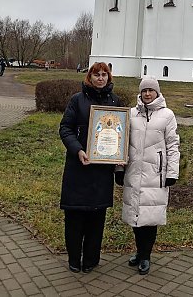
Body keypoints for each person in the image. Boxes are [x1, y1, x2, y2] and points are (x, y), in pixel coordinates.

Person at [115, 76, 180, 276]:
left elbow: (173, 144)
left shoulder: (167, 115)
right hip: (134, 171)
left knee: (150, 217)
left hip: (156, 173)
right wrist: (119, 169)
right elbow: (121, 142)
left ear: (157, 92)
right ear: (140, 93)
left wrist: (172, 173)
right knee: (136, 216)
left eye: (151, 90)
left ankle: (146, 256)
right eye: (144, 91)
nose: (148, 94)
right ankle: (139, 250)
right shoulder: (131, 114)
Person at [59, 62, 119, 273]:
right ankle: (74, 258)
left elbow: (121, 131)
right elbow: (65, 128)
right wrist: (77, 149)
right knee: (75, 215)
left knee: (97, 216)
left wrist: (119, 155)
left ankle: (91, 259)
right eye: (96, 75)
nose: (100, 78)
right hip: (79, 165)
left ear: (108, 77)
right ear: (89, 77)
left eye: (104, 75)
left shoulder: (114, 101)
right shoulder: (77, 100)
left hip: (102, 169)